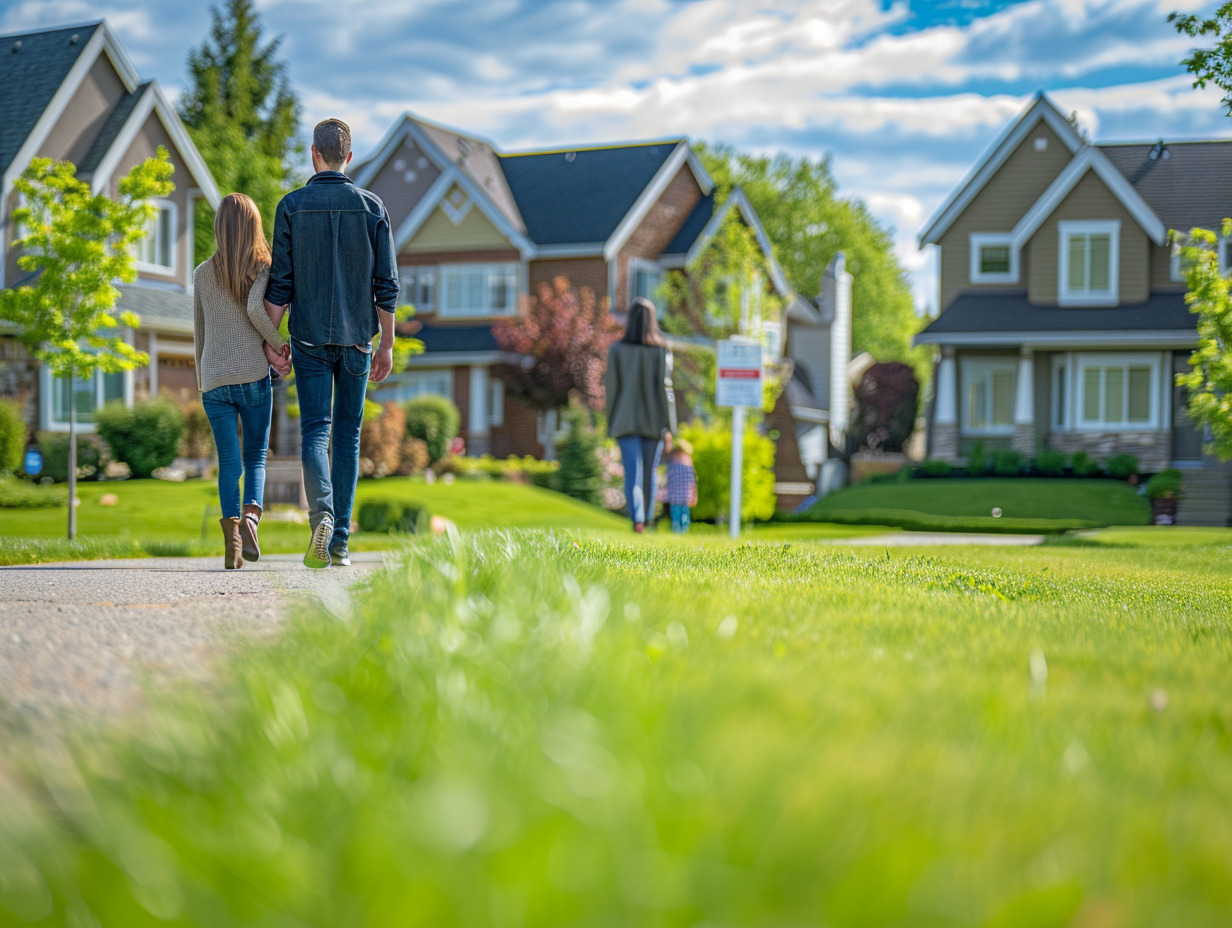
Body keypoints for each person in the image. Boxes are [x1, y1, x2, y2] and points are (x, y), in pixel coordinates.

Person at [262, 118, 398, 568]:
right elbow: (387, 286)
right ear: (349, 157)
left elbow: (280, 283)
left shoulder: (292, 206)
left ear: (313, 154)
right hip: (360, 340)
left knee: (315, 431)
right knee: (348, 436)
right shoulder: (373, 207)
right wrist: (388, 345)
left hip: (309, 338)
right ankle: (339, 542)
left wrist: (269, 339)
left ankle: (321, 513)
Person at [192, 193, 288, 569]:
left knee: (228, 461)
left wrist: (204, 380)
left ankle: (233, 546)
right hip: (251, 374)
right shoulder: (263, 267)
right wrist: (280, 344)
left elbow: (199, 332)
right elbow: (254, 309)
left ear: (219, 228)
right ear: (254, 227)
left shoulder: (201, 272)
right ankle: (251, 518)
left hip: (214, 380)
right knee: (255, 457)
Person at [604, 297, 675, 533]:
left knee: (632, 475)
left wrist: (610, 423)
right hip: (654, 424)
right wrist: (670, 428)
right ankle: (649, 520)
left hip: (624, 422)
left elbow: (612, 390)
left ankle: (638, 520)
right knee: (649, 474)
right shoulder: (661, 350)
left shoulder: (616, 350)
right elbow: (667, 392)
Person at [664, 436, 697, 533]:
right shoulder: (673, 465)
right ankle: (677, 530)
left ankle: (683, 530)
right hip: (675, 497)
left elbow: (692, 483)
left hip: (684, 497)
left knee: (684, 515)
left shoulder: (688, 468)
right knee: (676, 514)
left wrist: (694, 495)